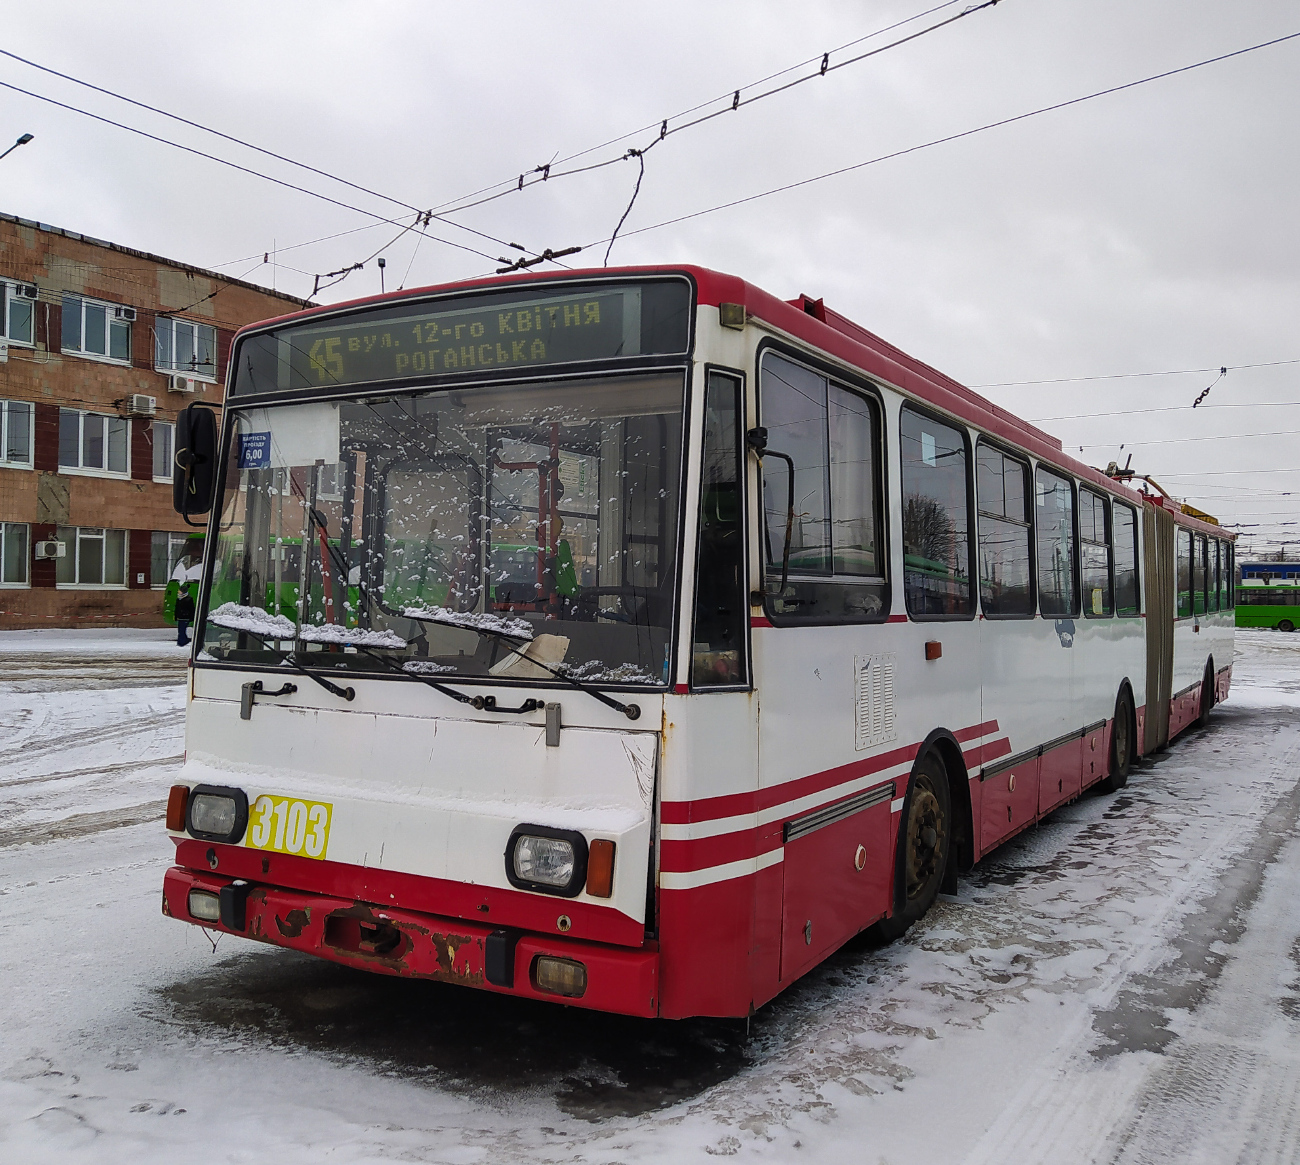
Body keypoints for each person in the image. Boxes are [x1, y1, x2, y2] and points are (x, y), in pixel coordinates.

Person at [170, 542, 204, 647]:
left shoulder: (187, 599)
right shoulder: (180, 599)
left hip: (184, 618)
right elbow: (177, 608)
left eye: (180, 592)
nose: (178, 593)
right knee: (181, 630)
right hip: (181, 617)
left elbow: (191, 609)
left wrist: (191, 617)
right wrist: (176, 616)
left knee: (182, 630)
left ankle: (182, 642)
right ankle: (182, 641)